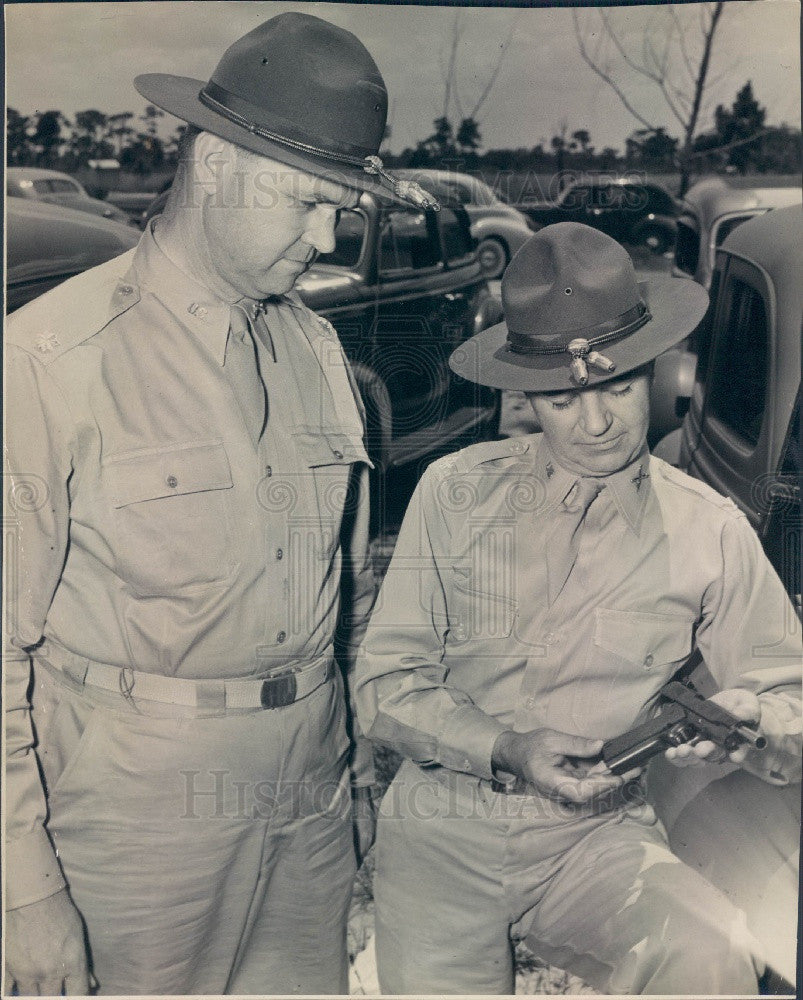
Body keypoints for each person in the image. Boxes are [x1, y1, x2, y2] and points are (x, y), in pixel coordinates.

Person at [4, 13, 436, 996]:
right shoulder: (49, 363)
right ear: (215, 165)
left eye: (342, 211)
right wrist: (21, 892)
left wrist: (349, 784)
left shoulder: (316, 349)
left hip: (306, 808)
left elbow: (342, 600)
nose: (324, 238)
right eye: (306, 203)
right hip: (132, 832)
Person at [356, 222, 802, 995]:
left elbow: (787, 689)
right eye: (563, 399)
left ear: (660, 372)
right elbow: (382, 688)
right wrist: (506, 746)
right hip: (440, 833)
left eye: (619, 387)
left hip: (594, 838)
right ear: (525, 395)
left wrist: (751, 718)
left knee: (711, 955)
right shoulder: (453, 494)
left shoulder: (710, 530)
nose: (596, 424)